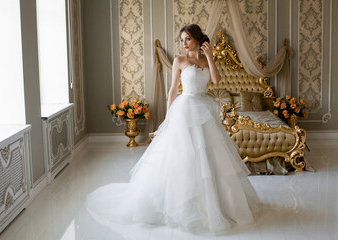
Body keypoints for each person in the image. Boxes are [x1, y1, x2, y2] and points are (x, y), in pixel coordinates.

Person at [87, 24, 260, 234]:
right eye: (182, 40)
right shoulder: (179, 60)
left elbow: (216, 80)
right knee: (181, 157)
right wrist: (169, 117)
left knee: (208, 158)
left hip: (204, 109)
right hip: (184, 109)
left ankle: (215, 204)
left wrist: (211, 57)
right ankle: (179, 203)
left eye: (187, 39)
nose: (184, 43)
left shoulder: (206, 60)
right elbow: (172, 90)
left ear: (197, 39)